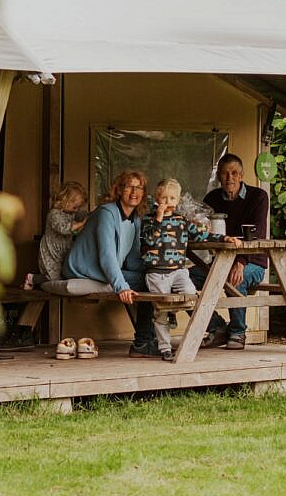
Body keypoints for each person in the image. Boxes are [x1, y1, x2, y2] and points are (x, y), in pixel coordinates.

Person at [63, 170, 160, 358]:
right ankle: (143, 342)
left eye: (139, 187)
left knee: (151, 279)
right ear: (119, 189)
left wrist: (154, 271)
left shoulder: (136, 219)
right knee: (148, 283)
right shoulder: (106, 213)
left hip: (104, 269)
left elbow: (132, 259)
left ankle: (146, 340)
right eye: (129, 186)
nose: (134, 191)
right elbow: (107, 256)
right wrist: (121, 286)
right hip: (83, 269)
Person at [141, 178, 240, 361]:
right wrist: (158, 219)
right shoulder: (148, 220)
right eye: (163, 198)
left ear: (177, 201)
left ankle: (173, 311)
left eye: (171, 198)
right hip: (157, 272)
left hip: (178, 270)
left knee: (190, 294)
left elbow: (201, 235)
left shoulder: (181, 222)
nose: (167, 202)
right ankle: (165, 348)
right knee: (160, 309)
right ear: (156, 198)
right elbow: (149, 241)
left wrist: (223, 238)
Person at [194, 153, 269, 350]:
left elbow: (257, 233)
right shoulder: (212, 198)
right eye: (225, 173)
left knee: (236, 278)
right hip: (219, 261)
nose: (230, 178)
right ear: (219, 176)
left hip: (253, 261)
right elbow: (204, 230)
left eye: (234, 173)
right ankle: (217, 327)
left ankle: (237, 332)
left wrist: (241, 262)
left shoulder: (258, 197)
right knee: (185, 277)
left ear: (242, 175)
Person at [24, 181, 88, 289]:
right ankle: (31, 278)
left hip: (64, 250)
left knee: (64, 275)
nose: (76, 210)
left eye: (78, 208)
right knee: (52, 277)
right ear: (65, 201)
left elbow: (74, 229)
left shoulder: (70, 214)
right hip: (51, 250)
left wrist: (83, 221)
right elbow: (64, 228)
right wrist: (81, 224)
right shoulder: (54, 214)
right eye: (74, 207)